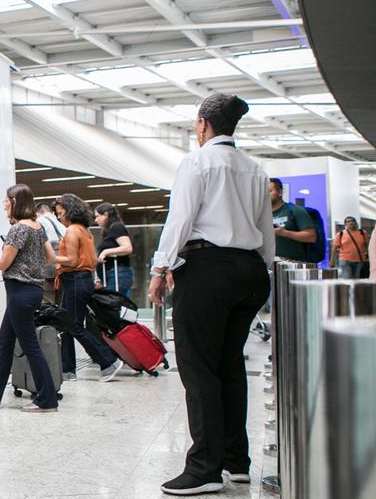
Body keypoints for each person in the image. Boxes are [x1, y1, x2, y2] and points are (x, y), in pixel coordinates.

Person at [148, 93, 275, 496]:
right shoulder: (255, 168)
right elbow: (265, 230)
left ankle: (204, 467)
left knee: (198, 367)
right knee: (229, 365)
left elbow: (180, 219)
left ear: (203, 123)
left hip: (207, 271)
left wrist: (160, 268)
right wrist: (263, 269)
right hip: (250, 271)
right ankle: (236, 461)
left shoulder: (198, 161)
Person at [0, 184, 59, 413]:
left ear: (16, 201)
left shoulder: (19, 229)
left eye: (6, 200)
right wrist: (30, 266)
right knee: (5, 342)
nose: (4, 204)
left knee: (30, 346)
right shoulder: (38, 227)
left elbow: (3, 264)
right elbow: (51, 257)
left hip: (20, 292)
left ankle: (47, 399)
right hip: (32, 291)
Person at [53, 194, 123, 383]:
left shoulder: (72, 231)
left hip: (75, 279)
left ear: (69, 211)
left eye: (60, 213)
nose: (59, 217)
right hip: (81, 281)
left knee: (73, 326)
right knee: (65, 324)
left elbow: (72, 261)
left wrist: (51, 257)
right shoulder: (85, 230)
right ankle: (68, 370)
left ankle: (108, 362)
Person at [269, 178, 315, 262]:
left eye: (269, 191)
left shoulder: (295, 210)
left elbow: (311, 236)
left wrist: (285, 233)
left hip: (293, 263)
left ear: (280, 192)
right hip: (269, 263)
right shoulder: (261, 215)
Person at [94, 203, 134, 297]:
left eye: (97, 216)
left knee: (114, 302)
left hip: (117, 272)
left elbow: (127, 248)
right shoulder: (108, 230)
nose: (96, 220)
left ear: (106, 215)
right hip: (110, 272)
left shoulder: (116, 227)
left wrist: (106, 252)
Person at [36, 201, 66, 305]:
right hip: (62, 269)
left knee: (47, 304)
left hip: (48, 270)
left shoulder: (40, 221)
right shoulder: (61, 224)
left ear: (37, 213)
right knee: (59, 303)